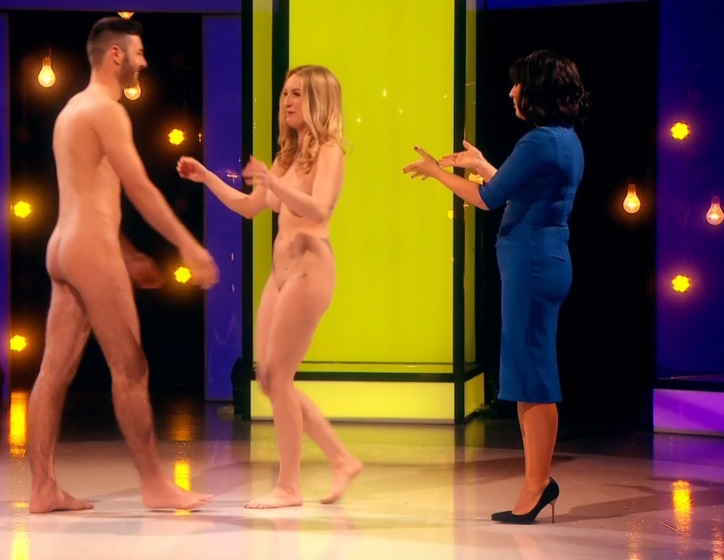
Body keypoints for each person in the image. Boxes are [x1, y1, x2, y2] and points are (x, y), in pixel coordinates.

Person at [28, 17, 220, 514]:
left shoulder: (71, 110)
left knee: (53, 371)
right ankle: (155, 484)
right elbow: (139, 188)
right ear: (116, 55)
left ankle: (43, 489)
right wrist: (188, 245)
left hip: (64, 246)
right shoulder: (106, 110)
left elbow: (92, 194)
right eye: (139, 52)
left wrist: (130, 254)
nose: (144, 61)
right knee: (131, 368)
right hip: (90, 249)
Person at [402, 49, 589, 524]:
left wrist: (437, 173)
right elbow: (515, 188)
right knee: (530, 373)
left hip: (532, 265)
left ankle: (537, 484)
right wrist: (484, 163)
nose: (511, 92)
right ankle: (536, 481)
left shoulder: (539, 141)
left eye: (518, 84)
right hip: (544, 260)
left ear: (537, 90)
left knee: (534, 376)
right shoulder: (563, 139)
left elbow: (487, 199)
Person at [177, 65, 362, 509]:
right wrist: (207, 177)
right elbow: (249, 207)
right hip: (280, 274)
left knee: (279, 377)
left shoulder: (330, 151)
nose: (287, 102)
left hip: (310, 268)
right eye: (285, 94)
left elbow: (319, 209)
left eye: (297, 94)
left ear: (318, 100)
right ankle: (341, 459)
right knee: (270, 379)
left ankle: (290, 486)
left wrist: (275, 182)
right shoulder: (286, 156)